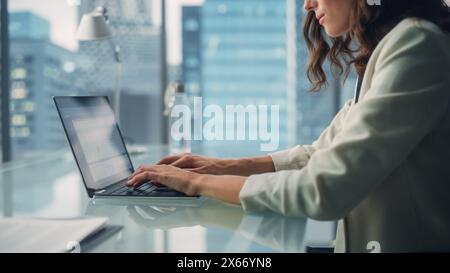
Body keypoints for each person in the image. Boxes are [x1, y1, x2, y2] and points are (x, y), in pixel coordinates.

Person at [128, 0, 450, 252]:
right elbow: (321, 155)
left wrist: (194, 184)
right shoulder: (394, 46)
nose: (307, 4)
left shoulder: (416, 45)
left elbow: (323, 187)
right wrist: (219, 167)